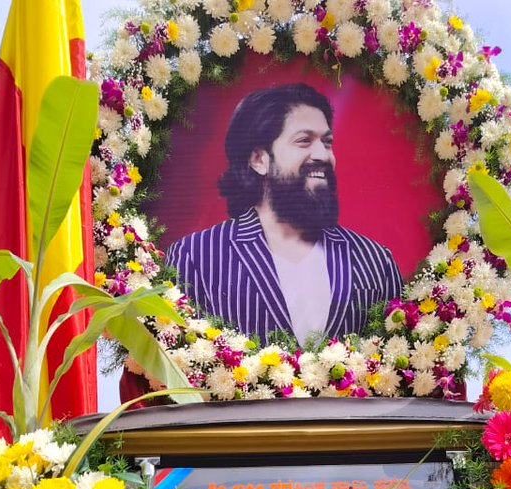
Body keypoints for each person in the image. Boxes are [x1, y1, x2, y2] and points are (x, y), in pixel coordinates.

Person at [166, 83, 403, 346]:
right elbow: (180, 371)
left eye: (327, 142)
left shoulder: (374, 260)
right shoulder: (195, 258)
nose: (323, 155)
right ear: (259, 159)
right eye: (304, 141)